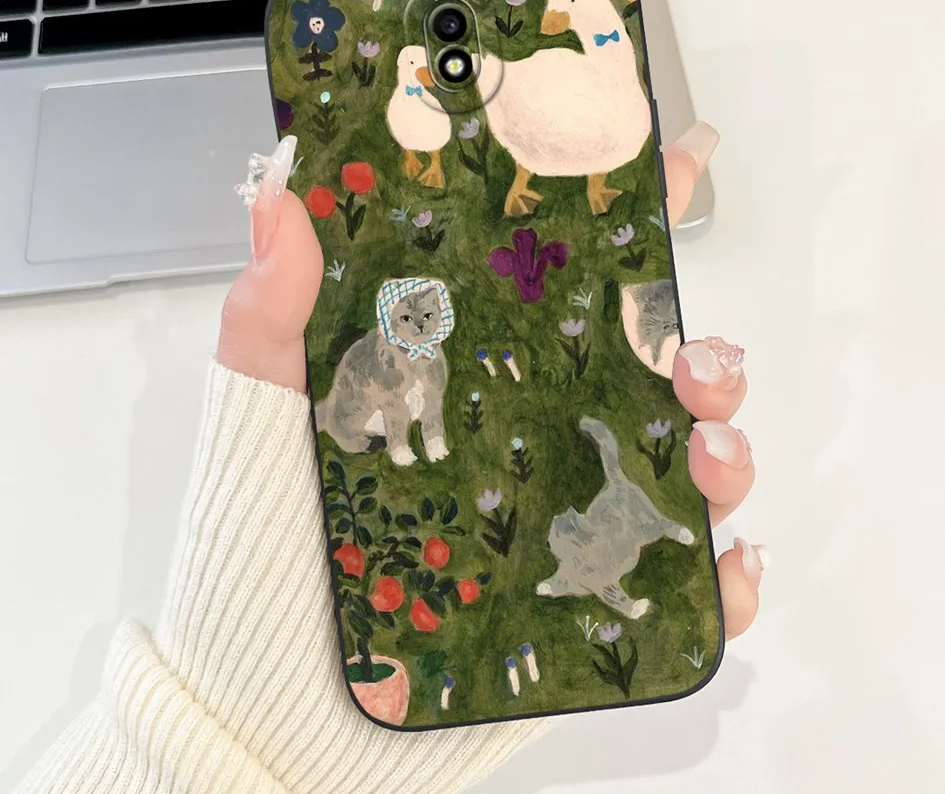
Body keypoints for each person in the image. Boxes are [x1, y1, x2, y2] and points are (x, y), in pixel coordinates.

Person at [16, 123, 766, 794]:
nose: (422, 321)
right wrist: (252, 733)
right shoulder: (380, 352)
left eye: (428, 313)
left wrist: (234, 735)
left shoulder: (435, 353)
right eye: (412, 314)